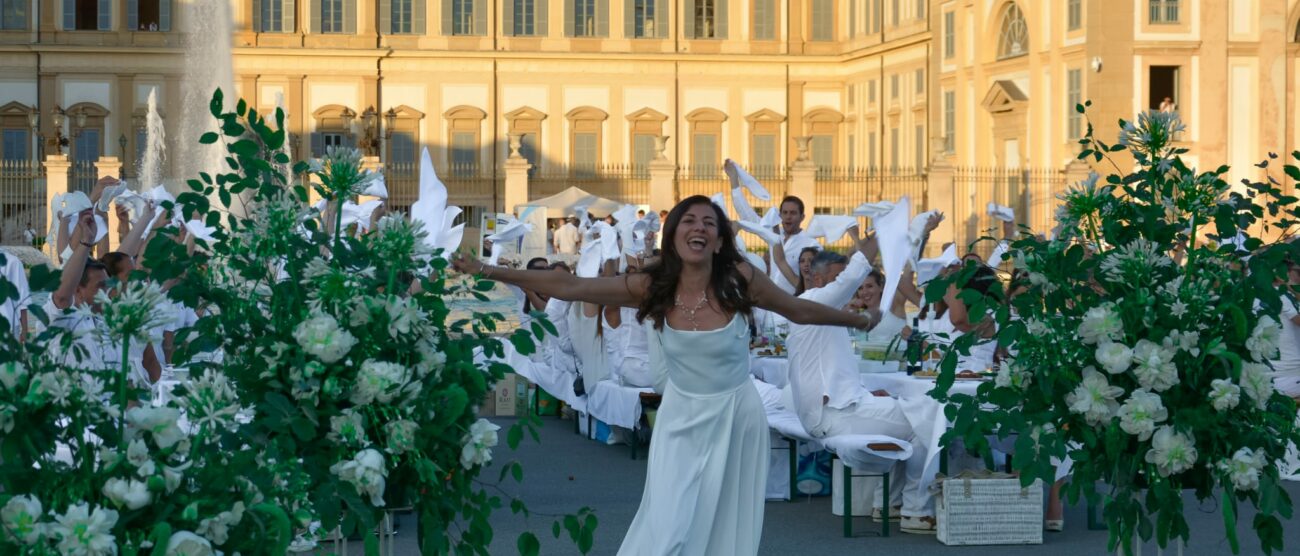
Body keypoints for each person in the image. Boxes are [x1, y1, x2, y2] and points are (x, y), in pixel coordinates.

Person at [452, 196, 874, 555]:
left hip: (735, 417)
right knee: (666, 526)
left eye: (709, 223)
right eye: (688, 220)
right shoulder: (651, 285)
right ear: (673, 234)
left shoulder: (740, 279)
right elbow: (573, 288)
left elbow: (798, 310)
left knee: (724, 534)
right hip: (680, 418)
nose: (699, 228)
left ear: (720, 240)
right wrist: (489, 271)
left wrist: (854, 321)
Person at [768, 196, 821, 294]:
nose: (788, 216)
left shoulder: (811, 244)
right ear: (780, 216)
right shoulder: (772, 233)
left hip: (793, 304)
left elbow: (814, 282)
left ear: (802, 217)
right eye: (785, 212)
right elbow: (747, 215)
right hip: (769, 303)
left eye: (793, 213)